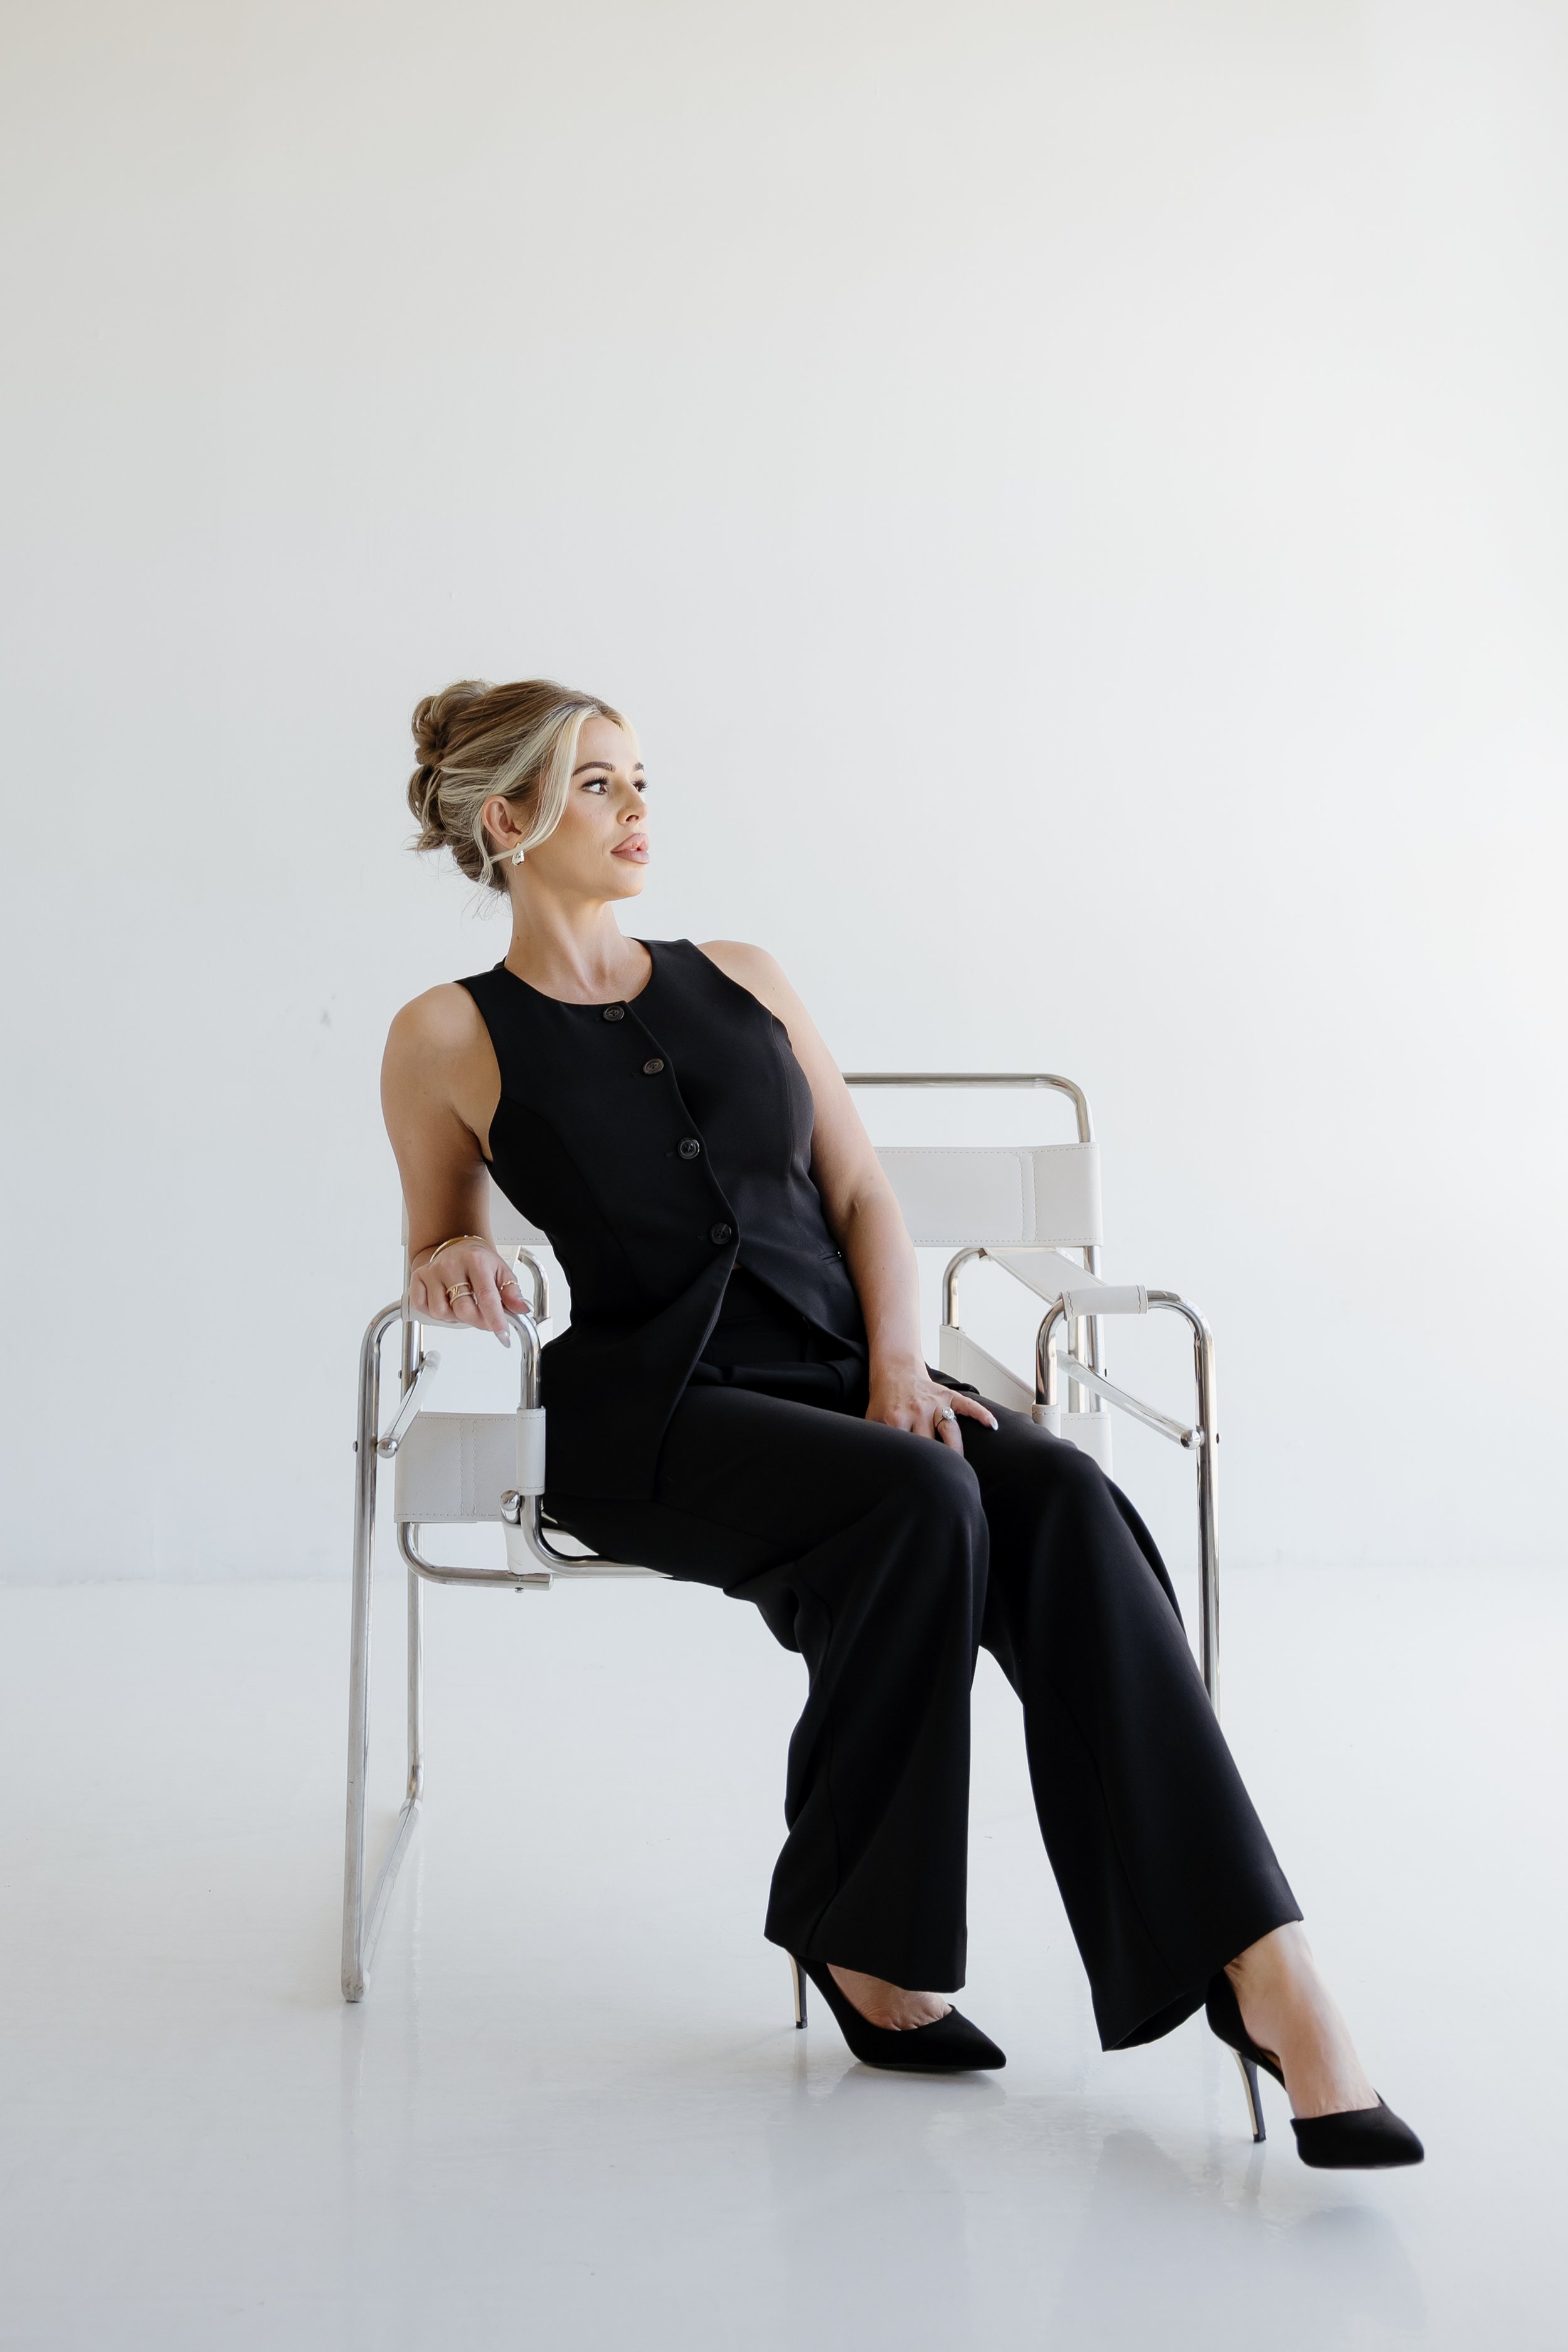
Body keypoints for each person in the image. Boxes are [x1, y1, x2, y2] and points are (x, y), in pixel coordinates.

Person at [381, 677, 1422, 2169]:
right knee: (920, 1505)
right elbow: (435, 1239)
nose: (636, 811)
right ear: (510, 820)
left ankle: (1261, 1965)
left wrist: (896, 1362)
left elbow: (865, 1196)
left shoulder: (740, 976)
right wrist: (446, 1258)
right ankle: (868, 1943)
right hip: (654, 1423)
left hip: (842, 1378)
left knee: (1050, 1491)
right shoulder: (444, 1034)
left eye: (638, 780)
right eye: (600, 786)